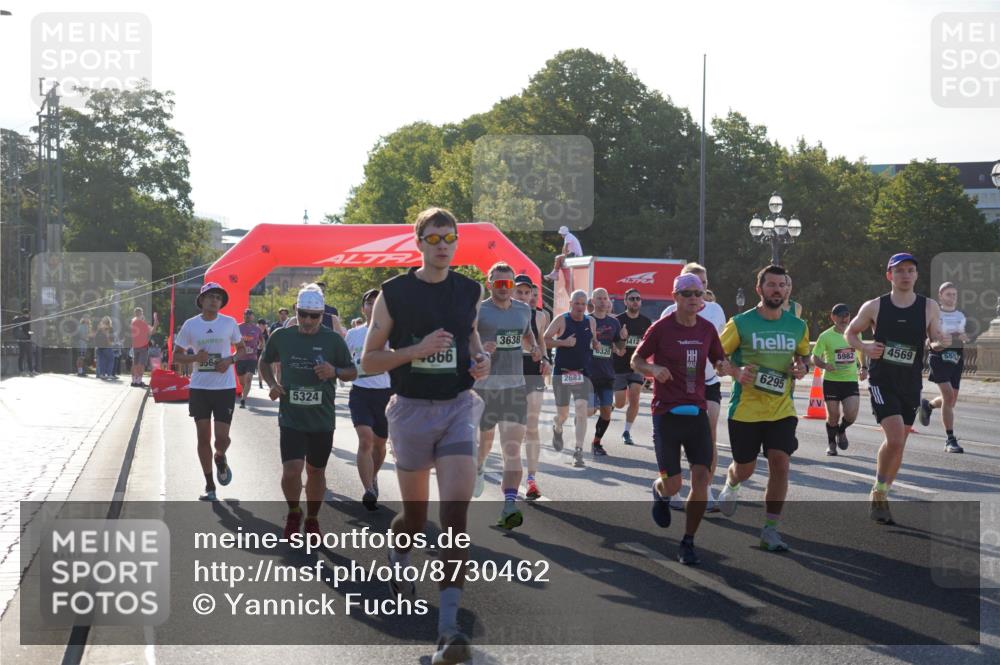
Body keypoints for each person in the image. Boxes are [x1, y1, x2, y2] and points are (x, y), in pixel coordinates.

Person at [361, 207, 489, 665]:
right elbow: (369, 362)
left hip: (457, 406)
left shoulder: (469, 290)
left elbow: (470, 337)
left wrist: (479, 360)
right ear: (418, 242)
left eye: (448, 237)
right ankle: (399, 558)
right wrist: (416, 351)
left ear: (456, 243)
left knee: (455, 518)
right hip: (411, 412)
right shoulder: (394, 294)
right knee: (414, 520)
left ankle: (448, 630)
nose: (441, 245)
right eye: (432, 238)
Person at [847, 253, 947, 525]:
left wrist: (940, 342)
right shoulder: (875, 306)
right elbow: (851, 333)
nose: (905, 274)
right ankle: (878, 491)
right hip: (883, 379)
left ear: (916, 275)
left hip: (911, 381)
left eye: (910, 270)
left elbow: (935, 337)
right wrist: (865, 347)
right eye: (899, 270)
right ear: (889, 275)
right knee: (894, 438)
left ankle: (882, 492)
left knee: (900, 442)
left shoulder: (929, 306)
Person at [633, 274, 726, 565]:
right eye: (687, 293)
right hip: (666, 414)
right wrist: (654, 368)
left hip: (696, 411)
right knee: (673, 485)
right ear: (675, 296)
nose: (694, 298)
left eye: (699, 293)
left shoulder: (708, 329)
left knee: (702, 478)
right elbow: (635, 361)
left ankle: (688, 541)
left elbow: (719, 361)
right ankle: (660, 492)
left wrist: (728, 368)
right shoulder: (660, 328)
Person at [716, 265, 810, 552]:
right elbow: (717, 359)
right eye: (771, 285)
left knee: (780, 463)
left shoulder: (798, 326)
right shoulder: (741, 323)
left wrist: (801, 368)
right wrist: (736, 371)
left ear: (788, 290)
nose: (777, 290)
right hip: (745, 410)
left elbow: (804, 359)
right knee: (745, 468)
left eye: (782, 285)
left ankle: (770, 530)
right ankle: (732, 482)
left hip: (781, 408)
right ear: (759, 289)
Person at [260, 285, 355, 538]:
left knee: (316, 471)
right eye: (303, 314)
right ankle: (293, 512)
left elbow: (352, 371)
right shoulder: (282, 336)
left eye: (315, 316)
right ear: (296, 311)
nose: (308, 320)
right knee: (291, 470)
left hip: (321, 420)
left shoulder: (333, 340)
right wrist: (272, 384)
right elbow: (264, 361)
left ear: (322, 315)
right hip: (291, 417)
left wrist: (334, 372)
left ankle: (312, 518)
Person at [472, 262, 538, 530]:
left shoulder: (523, 309)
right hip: (483, 389)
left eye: (508, 284)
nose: (504, 288)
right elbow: (464, 340)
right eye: (498, 283)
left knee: (512, 449)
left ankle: (509, 505)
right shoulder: (478, 311)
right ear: (490, 284)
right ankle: (479, 467)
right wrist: (480, 349)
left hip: (514, 387)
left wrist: (534, 348)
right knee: (484, 443)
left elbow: (527, 334)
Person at [661, 263, 728, 512]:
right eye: (692, 286)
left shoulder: (716, 311)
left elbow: (719, 346)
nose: (698, 291)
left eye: (703, 285)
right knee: (677, 439)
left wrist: (722, 363)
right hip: (677, 387)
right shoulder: (669, 313)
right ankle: (672, 489)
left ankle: (704, 490)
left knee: (708, 436)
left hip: (707, 384)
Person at [173, 282, 246, 501]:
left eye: (218, 297)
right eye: (210, 296)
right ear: (202, 300)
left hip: (224, 388)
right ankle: (210, 485)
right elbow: (177, 356)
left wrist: (230, 360)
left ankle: (220, 457)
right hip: (200, 388)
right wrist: (195, 358)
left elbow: (242, 350)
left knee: (221, 439)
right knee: (203, 437)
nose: (215, 300)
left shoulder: (229, 323)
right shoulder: (190, 325)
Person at [344, 288, 394, 510]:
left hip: (385, 393)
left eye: (377, 302)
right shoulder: (353, 335)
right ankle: (368, 490)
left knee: (380, 444)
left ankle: (372, 476)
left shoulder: (393, 332)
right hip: (360, 392)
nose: (373, 306)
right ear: (363, 307)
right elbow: (346, 362)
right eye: (369, 302)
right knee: (365, 439)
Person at [544, 289, 601, 468]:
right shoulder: (562, 320)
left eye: (583, 304)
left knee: (581, 410)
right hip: (562, 373)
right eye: (577, 303)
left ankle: (578, 451)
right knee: (563, 414)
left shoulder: (590, 321)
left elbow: (593, 341)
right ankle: (557, 426)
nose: (580, 307)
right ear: (571, 304)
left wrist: (596, 344)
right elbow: (544, 340)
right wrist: (563, 343)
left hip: (582, 373)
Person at [919, 282, 969, 453]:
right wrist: (938, 343)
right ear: (940, 296)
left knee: (951, 400)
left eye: (954, 294)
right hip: (939, 358)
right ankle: (950, 439)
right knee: (948, 396)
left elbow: (967, 336)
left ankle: (928, 405)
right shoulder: (934, 314)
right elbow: (928, 341)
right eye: (948, 294)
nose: (952, 297)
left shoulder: (961, 315)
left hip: (956, 359)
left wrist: (964, 337)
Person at [811, 304, 867, 456]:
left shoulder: (855, 333)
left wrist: (863, 367)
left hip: (850, 380)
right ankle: (831, 443)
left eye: (847, 315)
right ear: (833, 317)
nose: (844, 318)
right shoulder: (825, 336)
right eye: (840, 315)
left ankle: (841, 431)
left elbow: (861, 350)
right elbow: (814, 357)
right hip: (831, 381)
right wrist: (824, 365)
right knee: (833, 415)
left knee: (851, 414)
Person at [513, 275, 550, 500]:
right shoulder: (503, 314)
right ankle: (511, 473)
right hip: (510, 368)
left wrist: (546, 359)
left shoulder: (541, 316)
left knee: (532, 426)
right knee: (515, 428)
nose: (525, 297)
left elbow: (541, 341)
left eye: (528, 293)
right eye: (520, 292)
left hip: (532, 368)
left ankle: (532, 479)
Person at [614, 288, 652, 446]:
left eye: (638, 298)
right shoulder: (617, 321)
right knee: (620, 403)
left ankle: (626, 431)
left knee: (635, 395)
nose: (635, 301)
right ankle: (611, 404)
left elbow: (649, 345)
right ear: (625, 302)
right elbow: (612, 344)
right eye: (632, 298)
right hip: (618, 367)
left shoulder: (646, 322)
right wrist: (619, 344)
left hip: (636, 367)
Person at [588, 288, 624, 457]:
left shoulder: (614, 323)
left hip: (607, 373)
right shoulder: (586, 321)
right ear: (593, 301)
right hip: (588, 373)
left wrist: (622, 339)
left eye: (605, 298)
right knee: (589, 410)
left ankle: (596, 442)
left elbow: (620, 349)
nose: (603, 301)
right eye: (599, 298)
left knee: (606, 412)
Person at [236, 308, 263, 409]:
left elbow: (261, 339)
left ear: (253, 316)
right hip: (240, 358)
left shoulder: (257, 329)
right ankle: (244, 392)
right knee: (242, 381)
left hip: (252, 358)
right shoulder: (238, 327)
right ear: (244, 316)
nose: (248, 316)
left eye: (250, 314)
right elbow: (232, 340)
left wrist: (261, 345)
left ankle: (243, 400)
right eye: (246, 315)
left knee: (248, 379)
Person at [130, 307, 155, 387]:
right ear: (140, 314)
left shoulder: (133, 322)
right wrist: (155, 324)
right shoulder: (142, 323)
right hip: (143, 346)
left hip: (135, 345)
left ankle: (134, 381)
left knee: (135, 363)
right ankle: (138, 381)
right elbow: (151, 332)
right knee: (141, 364)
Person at [13, 308, 35, 376]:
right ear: (27, 313)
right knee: (24, 356)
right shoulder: (23, 320)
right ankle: (23, 371)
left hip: (25, 340)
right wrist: (32, 333)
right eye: (29, 314)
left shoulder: (24, 320)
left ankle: (29, 371)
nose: (29, 315)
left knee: (27, 356)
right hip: (23, 340)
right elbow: (26, 331)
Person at [256, 318, 270, 389]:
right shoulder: (256, 331)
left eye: (264, 324)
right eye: (262, 324)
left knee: (267, 367)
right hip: (258, 351)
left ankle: (268, 382)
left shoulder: (266, 331)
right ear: (259, 325)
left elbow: (269, 340)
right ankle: (260, 383)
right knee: (259, 367)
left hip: (265, 351)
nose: (264, 326)